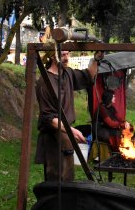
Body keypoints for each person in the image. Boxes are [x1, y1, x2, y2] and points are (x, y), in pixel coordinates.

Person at [35, 49, 99, 182]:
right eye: (62, 55)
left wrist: (97, 58)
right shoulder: (44, 82)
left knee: (68, 177)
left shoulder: (67, 73)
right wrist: (72, 131)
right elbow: (48, 118)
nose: (66, 58)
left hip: (66, 135)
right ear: (53, 55)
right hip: (53, 137)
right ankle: (54, 203)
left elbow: (88, 75)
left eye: (67, 54)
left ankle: (66, 202)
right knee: (56, 178)